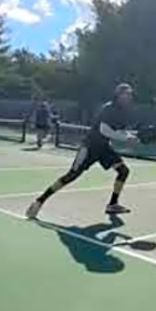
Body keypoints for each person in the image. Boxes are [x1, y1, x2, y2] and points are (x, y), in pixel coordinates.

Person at [25, 83, 139, 219]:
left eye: (129, 94)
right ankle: (39, 201)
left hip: (103, 148)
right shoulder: (109, 109)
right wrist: (125, 139)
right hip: (89, 147)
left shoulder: (122, 111)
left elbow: (119, 131)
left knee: (123, 171)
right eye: (125, 94)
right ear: (118, 95)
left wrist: (130, 136)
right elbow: (104, 130)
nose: (127, 97)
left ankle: (112, 204)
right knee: (71, 176)